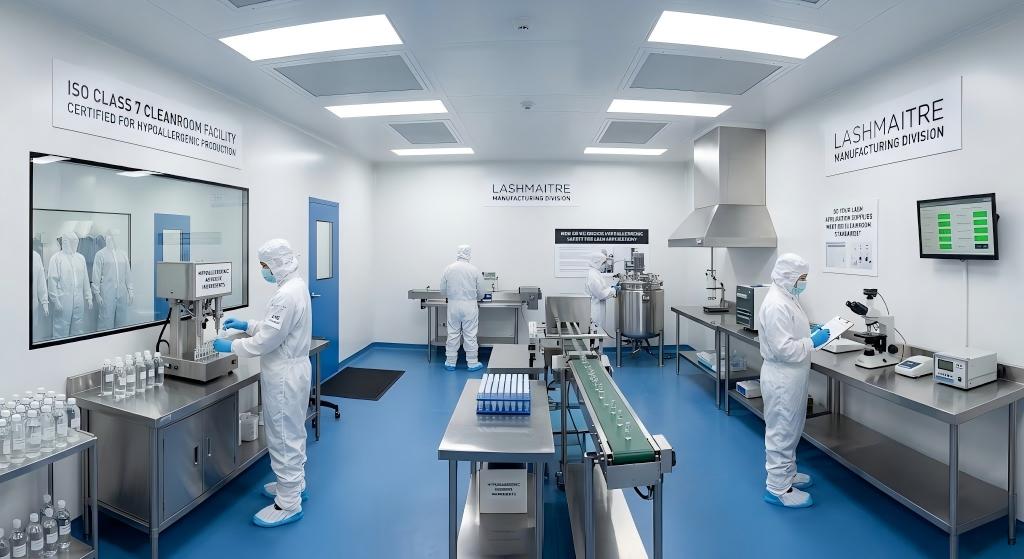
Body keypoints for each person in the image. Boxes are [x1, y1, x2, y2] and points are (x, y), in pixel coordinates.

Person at [214, 239, 312, 527]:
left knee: (283, 436)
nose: (263, 271)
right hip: (293, 369)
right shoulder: (296, 286)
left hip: (284, 375)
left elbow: (268, 340)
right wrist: (247, 325)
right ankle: (294, 485)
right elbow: (275, 328)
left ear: (277, 263)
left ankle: (288, 503)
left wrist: (230, 347)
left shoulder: (285, 295)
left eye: (264, 266)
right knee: (293, 431)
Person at [757, 253, 830, 509]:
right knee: (781, 432)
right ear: (789, 276)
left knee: (792, 428)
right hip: (782, 377)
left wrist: (807, 332)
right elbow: (783, 349)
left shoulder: (787, 296)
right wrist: (813, 341)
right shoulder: (777, 304)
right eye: (802, 278)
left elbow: (788, 333)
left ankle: (787, 473)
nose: (804, 282)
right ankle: (777, 488)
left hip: (792, 377)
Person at [439, 244, 488, 371]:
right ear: (469, 254)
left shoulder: (448, 269)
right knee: (470, 333)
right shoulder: (474, 270)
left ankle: (450, 362)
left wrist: (451, 296)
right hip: (470, 305)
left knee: (453, 333)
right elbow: (482, 292)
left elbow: (443, 291)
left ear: (458, 253)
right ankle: (472, 362)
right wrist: (474, 297)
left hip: (453, 305)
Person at [47, 232, 92, 338]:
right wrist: (56, 300)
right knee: (61, 328)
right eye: (72, 242)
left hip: (79, 299)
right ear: (65, 242)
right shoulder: (56, 258)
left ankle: (76, 351)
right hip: (63, 300)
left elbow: (85, 280)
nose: (75, 245)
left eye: (76, 242)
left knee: (78, 327)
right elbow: (52, 281)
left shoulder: (80, 258)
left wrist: (88, 297)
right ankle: (59, 351)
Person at [92, 229, 134, 330]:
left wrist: (131, 291)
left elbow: (128, 274)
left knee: (122, 321)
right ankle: (104, 344)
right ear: (107, 238)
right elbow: (96, 276)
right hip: (107, 293)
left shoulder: (123, 254)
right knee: (106, 321)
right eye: (110, 236)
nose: (112, 239)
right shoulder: (100, 254)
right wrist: (97, 294)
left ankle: (121, 343)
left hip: (122, 293)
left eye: (115, 237)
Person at [584, 251, 617, 337]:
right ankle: (595, 349)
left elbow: (602, 289)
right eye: (604, 263)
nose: (606, 265)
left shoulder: (595, 273)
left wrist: (611, 288)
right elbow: (601, 294)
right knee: (595, 332)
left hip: (598, 306)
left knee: (598, 332)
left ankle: (597, 349)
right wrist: (614, 290)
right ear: (597, 262)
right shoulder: (593, 275)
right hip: (595, 309)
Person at [32, 250, 50, 341]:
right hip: (15, 305)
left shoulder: (35, 257)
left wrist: (45, 303)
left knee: (32, 332)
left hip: (33, 305)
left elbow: (41, 282)